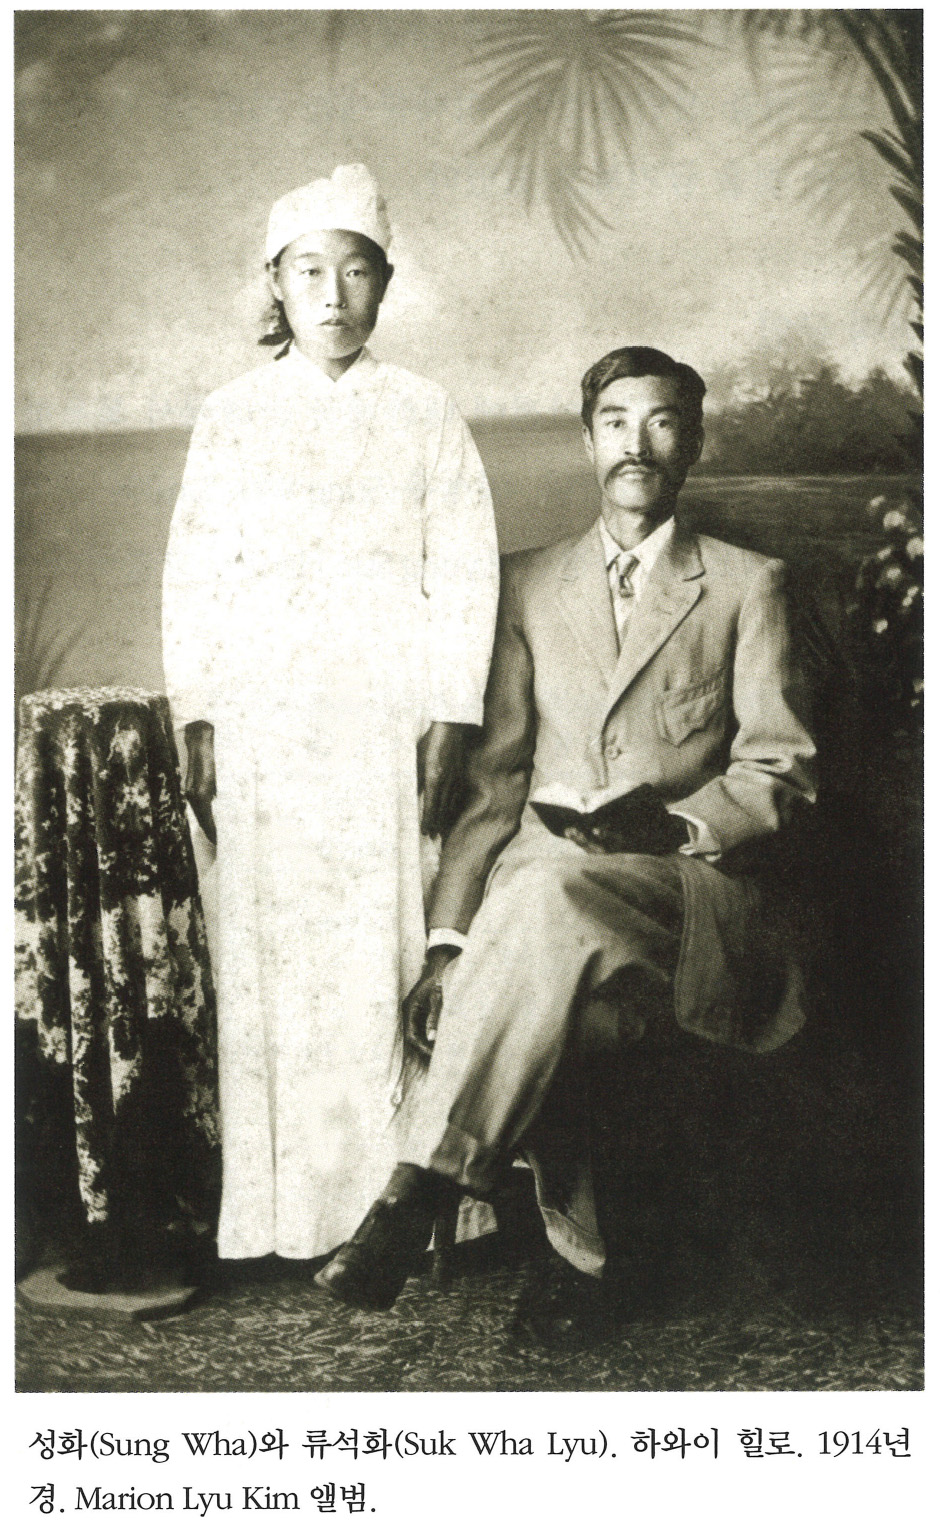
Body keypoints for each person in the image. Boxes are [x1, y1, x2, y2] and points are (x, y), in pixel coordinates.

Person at [315, 345, 818, 1339]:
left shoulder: (748, 584)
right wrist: (448, 945)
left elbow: (780, 771)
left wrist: (677, 823)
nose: (638, 443)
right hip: (550, 907)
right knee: (553, 939)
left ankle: (414, 1188)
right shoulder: (528, 584)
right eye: (616, 421)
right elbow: (496, 785)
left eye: (662, 421)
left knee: (544, 898)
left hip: (687, 896)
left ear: (693, 443)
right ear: (586, 442)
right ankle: (585, 1256)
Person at [162, 164, 499, 1261]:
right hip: (266, 722)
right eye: (309, 270)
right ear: (275, 282)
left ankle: (393, 1212)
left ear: (385, 284)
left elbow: (466, 573)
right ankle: (282, 1212)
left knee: (378, 947)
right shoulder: (232, 416)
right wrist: (199, 713)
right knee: (281, 957)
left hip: (383, 720)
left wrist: (451, 714)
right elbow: (196, 574)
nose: (333, 294)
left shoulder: (424, 412)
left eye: (356, 271)